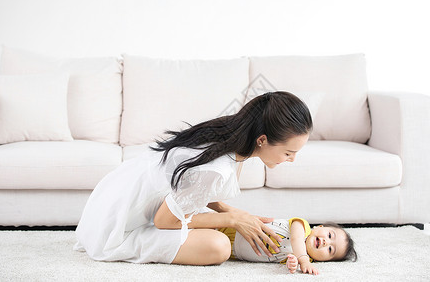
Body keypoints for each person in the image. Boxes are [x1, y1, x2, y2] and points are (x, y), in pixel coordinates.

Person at [74, 91, 313, 265]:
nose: (291, 159)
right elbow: (164, 221)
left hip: (110, 201)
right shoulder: (219, 168)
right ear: (262, 140)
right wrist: (231, 219)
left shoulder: (226, 136)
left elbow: (191, 187)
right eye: (289, 152)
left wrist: (233, 213)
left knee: (212, 226)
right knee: (218, 246)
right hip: (115, 228)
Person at [219, 219, 358, 275]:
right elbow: (296, 238)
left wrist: (292, 264)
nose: (326, 242)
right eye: (329, 235)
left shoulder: (302, 260)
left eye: (330, 250)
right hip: (235, 229)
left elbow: (287, 260)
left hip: (232, 252)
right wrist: (303, 260)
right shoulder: (303, 226)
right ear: (319, 227)